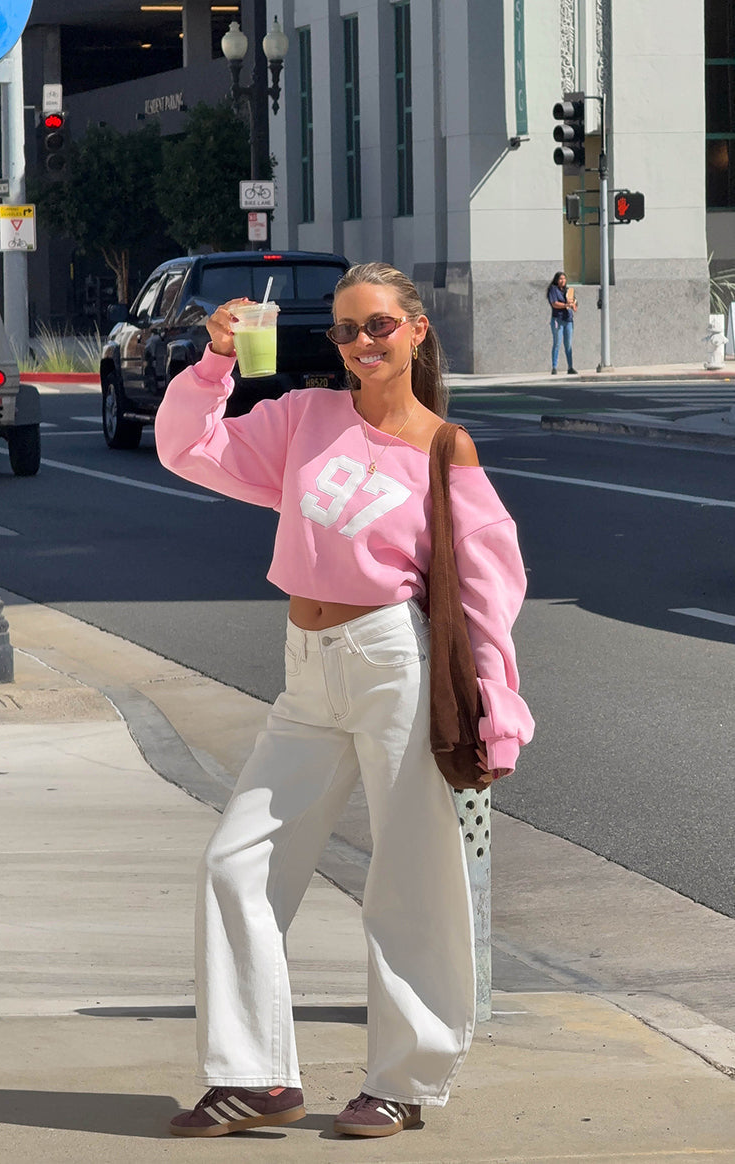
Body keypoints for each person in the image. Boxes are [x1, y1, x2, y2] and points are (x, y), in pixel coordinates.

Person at [154, 262, 534, 1141]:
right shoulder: (303, 419)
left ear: (415, 332)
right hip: (305, 668)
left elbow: (486, 589)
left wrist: (497, 710)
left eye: (378, 327)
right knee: (236, 863)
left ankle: (403, 1079)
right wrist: (215, 363)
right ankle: (254, 1076)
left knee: (410, 878)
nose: (361, 344)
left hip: (391, 661)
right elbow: (189, 449)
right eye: (345, 330)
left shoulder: (446, 447)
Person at [546, 271, 577, 374]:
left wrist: (573, 304)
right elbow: (554, 304)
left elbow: (574, 303)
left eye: (564, 279)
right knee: (557, 343)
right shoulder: (553, 290)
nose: (562, 281)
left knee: (568, 344)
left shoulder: (568, 291)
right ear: (556, 280)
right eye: (560, 279)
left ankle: (570, 367)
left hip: (568, 320)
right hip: (557, 320)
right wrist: (565, 305)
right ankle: (554, 367)